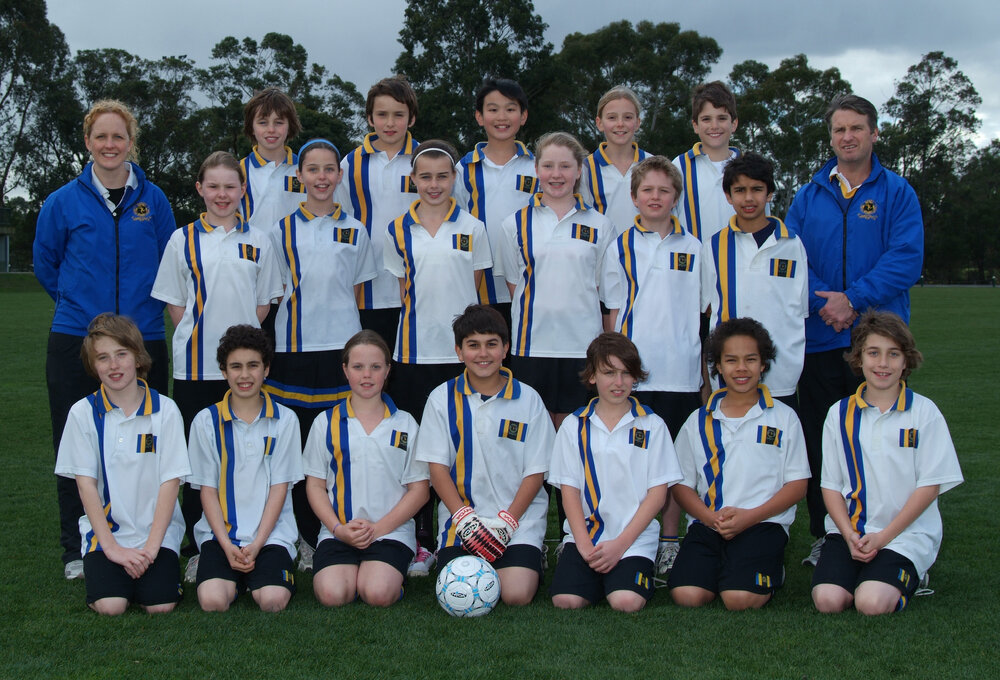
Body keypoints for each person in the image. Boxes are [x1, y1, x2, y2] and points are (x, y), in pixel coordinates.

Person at [34, 99, 175, 579]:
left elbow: (170, 264)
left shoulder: (154, 200)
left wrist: (140, 319)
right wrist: (79, 308)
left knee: (148, 443)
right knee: (74, 444)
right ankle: (76, 548)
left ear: (131, 142)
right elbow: (46, 263)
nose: (110, 145)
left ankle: (150, 537)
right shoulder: (62, 201)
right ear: (88, 142)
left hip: (144, 338)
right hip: (75, 337)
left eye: (119, 136)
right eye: (101, 137)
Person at [784, 94, 924, 566]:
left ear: (874, 133)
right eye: (839, 129)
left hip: (879, 342)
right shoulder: (809, 195)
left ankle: (898, 536)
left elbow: (906, 259)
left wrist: (853, 299)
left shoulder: (897, 192)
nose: (848, 136)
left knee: (885, 442)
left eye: (857, 128)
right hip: (821, 338)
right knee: (825, 440)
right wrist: (826, 302)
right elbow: (790, 258)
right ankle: (827, 534)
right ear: (831, 137)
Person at [151, 151, 283, 575]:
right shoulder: (182, 239)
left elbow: (263, 304)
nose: (222, 194)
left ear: (243, 190)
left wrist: (238, 354)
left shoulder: (260, 239)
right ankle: (198, 547)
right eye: (213, 186)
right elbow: (176, 304)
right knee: (197, 462)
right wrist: (202, 337)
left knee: (243, 457)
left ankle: (255, 534)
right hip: (195, 368)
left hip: (244, 372)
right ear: (200, 189)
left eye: (230, 186)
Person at [266, 139, 378, 571]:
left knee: (336, 446)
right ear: (299, 176)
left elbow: (356, 290)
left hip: (341, 351)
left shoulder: (356, 229)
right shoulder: (280, 230)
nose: (321, 177)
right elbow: (276, 291)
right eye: (312, 169)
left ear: (339, 175)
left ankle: (341, 530)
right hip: (294, 349)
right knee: (297, 449)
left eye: (329, 169)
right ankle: (301, 537)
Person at [382, 139, 492, 576]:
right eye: (425, 177)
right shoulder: (396, 229)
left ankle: (465, 527)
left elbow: (477, 291)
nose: (434, 184)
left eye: (442, 176)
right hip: (413, 353)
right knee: (418, 450)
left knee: (459, 445)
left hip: (460, 356)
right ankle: (420, 538)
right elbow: (403, 291)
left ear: (454, 179)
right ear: (413, 180)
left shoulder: (473, 227)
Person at [811, 311, 962, 615]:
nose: (883, 363)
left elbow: (929, 486)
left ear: (906, 361)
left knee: (871, 603)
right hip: (851, 531)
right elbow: (830, 486)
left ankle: (912, 575)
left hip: (905, 534)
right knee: (827, 601)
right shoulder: (839, 413)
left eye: (893, 354)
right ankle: (865, 570)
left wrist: (884, 537)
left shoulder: (924, 413)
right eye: (873, 353)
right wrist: (848, 534)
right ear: (859, 358)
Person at [599, 156, 703, 576]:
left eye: (664, 190)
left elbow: (704, 311)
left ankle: (670, 540)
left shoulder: (694, 248)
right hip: (634, 376)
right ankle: (630, 538)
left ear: (676, 198)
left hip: (681, 373)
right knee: (634, 461)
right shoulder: (619, 246)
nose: (655, 197)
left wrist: (704, 374)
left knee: (672, 464)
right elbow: (612, 310)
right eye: (647, 190)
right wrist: (613, 368)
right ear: (634, 196)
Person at [414, 304, 555, 606]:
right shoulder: (440, 398)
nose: (483, 354)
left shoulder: (529, 399)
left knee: (516, 595)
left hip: (518, 520)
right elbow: (437, 468)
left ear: (506, 348)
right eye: (473, 345)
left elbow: (536, 471)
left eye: (492, 344)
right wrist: (463, 518)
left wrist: (508, 522)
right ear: (459, 351)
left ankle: (531, 551)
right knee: (458, 590)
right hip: (462, 521)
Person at [668, 318, 809, 610]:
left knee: (739, 599)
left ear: (763, 364)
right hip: (709, 523)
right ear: (718, 366)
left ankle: (769, 567)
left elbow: (797, 485)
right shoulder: (698, 420)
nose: (741, 368)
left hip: (763, 523)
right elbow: (681, 485)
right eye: (731, 360)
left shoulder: (784, 417)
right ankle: (724, 565)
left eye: (750, 359)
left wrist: (750, 517)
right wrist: (709, 519)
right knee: (686, 595)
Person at [54, 314, 189, 614]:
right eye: (103, 358)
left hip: (156, 534)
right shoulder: (82, 413)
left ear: (138, 357)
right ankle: (111, 570)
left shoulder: (166, 410)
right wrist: (112, 548)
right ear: (93, 365)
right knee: (111, 606)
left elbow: (171, 483)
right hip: (107, 535)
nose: (113, 365)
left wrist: (151, 548)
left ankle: (151, 570)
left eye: (121, 354)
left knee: (161, 605)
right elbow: (85, 486)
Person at [549, 333, 682, 612]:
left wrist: (621, 545)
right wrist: (584, 546)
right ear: (592, 376)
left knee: (626, 602)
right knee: (566, 601)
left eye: (626, 373)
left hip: (633, 539)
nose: (619, 382)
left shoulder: (653, 425)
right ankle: (594, 573)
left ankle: (624, 575)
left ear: (636, 377)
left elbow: (658, 495)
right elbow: (569, 492)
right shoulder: (573, 426)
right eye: (609, 373)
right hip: (586, 537)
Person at [303, 330, 429, 607]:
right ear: (345, 370)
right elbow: (315, 486)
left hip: (390, 531)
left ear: (388, 370)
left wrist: (378, 529)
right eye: (358, 367)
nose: (367, 375)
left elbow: (419, 490)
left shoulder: (406, 423)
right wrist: (337, 529)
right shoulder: (325, 423)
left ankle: (389, 573)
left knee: (377, 593)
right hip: (340, 531)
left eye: (376, 367)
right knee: (332, 595)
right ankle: (356, 570)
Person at [498, 131, 614, 429]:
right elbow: (515, 284)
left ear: (579, 170)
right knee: (534, 428)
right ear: (536, 169)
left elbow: (600, 288)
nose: (556, 174)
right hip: (532, 345)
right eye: (548, 166)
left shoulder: (601, 225)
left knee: (576, 429)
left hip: (583, 345)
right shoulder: (514, 224)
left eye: (565, 166)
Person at [187, 325, 303, 613]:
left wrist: (258, 543)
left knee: (273, 601)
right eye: (235, 366)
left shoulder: (286, 420)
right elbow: (207, 490)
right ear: (224, 372)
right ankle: (234, 575)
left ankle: (255, 574)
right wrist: (227, 545)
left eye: (253, 365)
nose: (244, 375)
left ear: (266, 369)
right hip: (220, 535)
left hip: (271, 535)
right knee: (213, 602)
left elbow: (280, 488)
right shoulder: (205, 421)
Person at [700, 152, 808, 407]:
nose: (748, 198)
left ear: (769, 193)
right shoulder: (714, 246)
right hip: (730, 374)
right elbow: (708, 309)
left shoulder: (792, 244)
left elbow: (800, 311)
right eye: (740, 190)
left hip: (781, 373)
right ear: (728, 195)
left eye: (757, 189)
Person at [335, 75, 421, 352]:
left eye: (399, 115)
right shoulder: (350, 164)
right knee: (371, 365)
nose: (390, 123)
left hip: (418, 286)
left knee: (409, 366)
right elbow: (340, 220)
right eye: (382, 115)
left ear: (411, 118)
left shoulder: (427, 161)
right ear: (370, 119)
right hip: (366, 289)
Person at [453, 78, 537, 324]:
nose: (502, 117)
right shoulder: (463, 169)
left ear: (523, 116)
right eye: (493, 109)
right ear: (479, 117)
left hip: (528, 283)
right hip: (479, 287)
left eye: (510, 109)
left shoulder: (537, 168)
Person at [672, 81, 741, 242]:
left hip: (740, 258)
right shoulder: (679, 167)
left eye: (722, 118)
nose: (714, 126)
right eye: (706, 119)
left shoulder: (750, 169)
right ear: (695, 125)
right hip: (696, 258)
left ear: (734, 124)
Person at [580, 86, 650, 236]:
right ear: (599, 123)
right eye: (612, 117)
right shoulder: (585, 168)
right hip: (603, 250)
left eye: (628, 117)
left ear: (637, 122)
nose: (620, 124)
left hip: (646, 250)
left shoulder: (653, 165)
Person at [239, 87, 305, 236]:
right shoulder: (238, 171)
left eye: (279, 122)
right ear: (251, 127)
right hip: (252, 250)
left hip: (296, 250)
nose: (271, 129)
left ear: (290, 126)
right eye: (263, 122)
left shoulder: (305, 169)